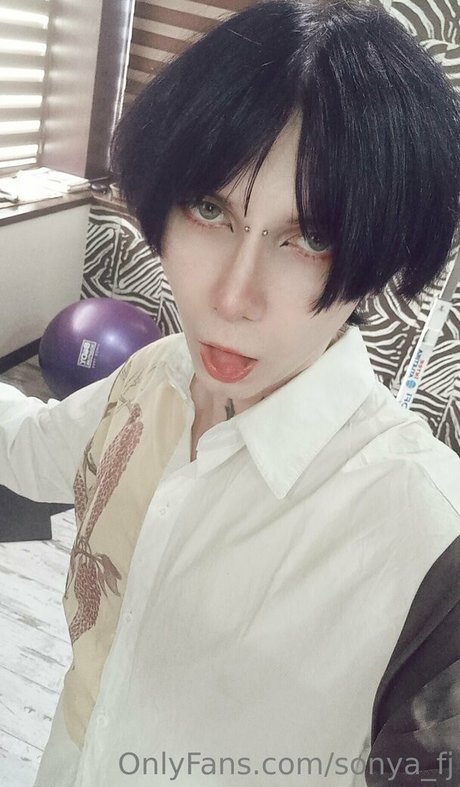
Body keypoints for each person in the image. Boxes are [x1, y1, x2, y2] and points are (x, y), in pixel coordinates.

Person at [1, 0, 460, 784]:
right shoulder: (153, 377)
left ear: (379, 258)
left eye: (311, 237)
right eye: (211, 209)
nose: (231, 296)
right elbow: (28, 446)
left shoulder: (429, 545)